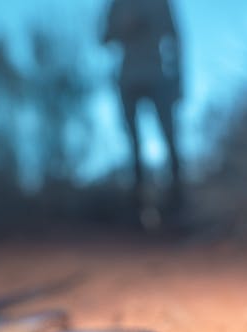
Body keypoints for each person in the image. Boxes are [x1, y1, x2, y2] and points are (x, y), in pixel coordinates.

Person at [102, 0, 183, 217]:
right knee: (133, 144)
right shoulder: (117, 4)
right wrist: (123, 27)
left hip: (158, 75)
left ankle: (178, 204)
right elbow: (103, 37)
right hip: (128, 77)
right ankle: (138, 209)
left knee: (170, 139)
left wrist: (179, 79)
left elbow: (176, 37)